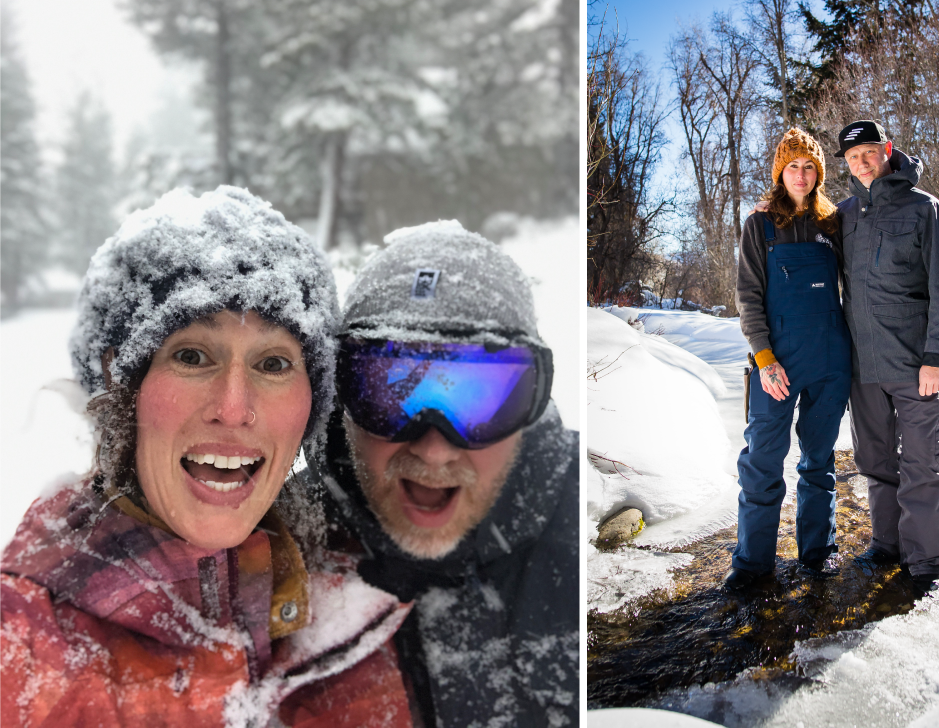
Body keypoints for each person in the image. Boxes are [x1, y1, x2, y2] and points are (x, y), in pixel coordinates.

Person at [0, 187, 412, 724]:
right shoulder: (25, 648)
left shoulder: (356, 608)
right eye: (192, 355)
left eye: (273, 364)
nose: (234, 408)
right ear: (117, 385)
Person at [310, 221, 580, 726]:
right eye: (390, 395)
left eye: (478, 401)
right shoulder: (274, 548)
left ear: (528, 407)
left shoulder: (575, 519)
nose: (435, 450)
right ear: (342, 398)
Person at [833, 120, 939, 596]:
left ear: (887, 150)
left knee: (923, 460)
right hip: (863, 367)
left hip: (913, 363)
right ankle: (887, 544)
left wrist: (937, 356)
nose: (862, 163)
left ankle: (925, 557)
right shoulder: (844, 215)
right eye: (852, 157)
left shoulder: (925, 209)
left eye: (869, 152)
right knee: (874, 458)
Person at [726, 127, 852, 590]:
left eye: (809, 166)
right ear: (780, 172)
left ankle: (818, 554)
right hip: (776, 365)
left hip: (830, 361)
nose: (801, 174)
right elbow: (748, 296)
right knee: (762, 461)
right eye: (793, 165)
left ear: (819, 173)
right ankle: (752, 566)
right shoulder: (759, 225)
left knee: (818, 463)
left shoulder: (834, 224)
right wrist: (764, 358)